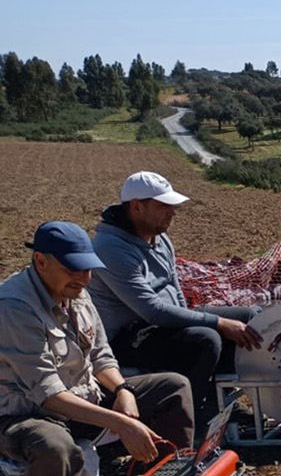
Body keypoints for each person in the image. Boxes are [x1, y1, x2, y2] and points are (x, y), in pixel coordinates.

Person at [0, 222, 194, 476]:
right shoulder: (14, 306)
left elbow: (101, 353)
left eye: (88, 268)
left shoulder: (76, 290)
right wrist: (121, 423)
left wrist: (121, 389)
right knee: (54, 446)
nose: (84, 277)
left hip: (81, 398)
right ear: (40, 261)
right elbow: (47, 394)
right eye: (73, 268)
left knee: (171, 388)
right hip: (22, 415)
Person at [88, 170, 261, 430]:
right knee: (207, 339)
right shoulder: (111, 248)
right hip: (129, 337)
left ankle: (219, 399)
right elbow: (151, 311)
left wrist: (197, 318)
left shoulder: (160, 238)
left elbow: (174, 287)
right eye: (163, 206)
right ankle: (194, 414)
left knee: (247, 316)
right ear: (137, 207)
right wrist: (216, 323)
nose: (172, 212)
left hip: (161, 325)